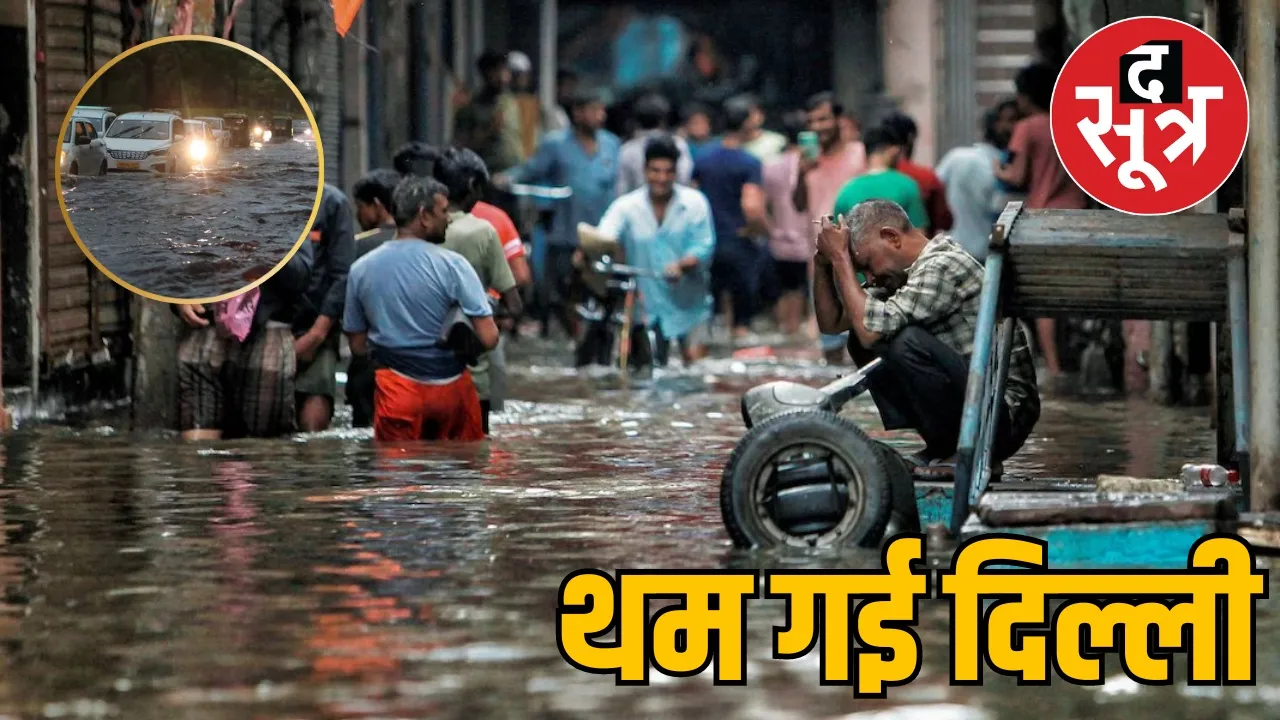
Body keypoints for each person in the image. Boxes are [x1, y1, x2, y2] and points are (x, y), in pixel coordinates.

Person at [812, 200, 1040, 480]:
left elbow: (872, 328)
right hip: (978, 406)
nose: (870, 279)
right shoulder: (902, 276)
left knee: (902, 340)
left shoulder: (942, 264)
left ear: (891, 237)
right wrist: (823, 263)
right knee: (862, 339)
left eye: (868, 265)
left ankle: (976, 452)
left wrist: (841, 260)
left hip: (1002, 417)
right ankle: (944, 445)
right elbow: (832, 322)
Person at [343, 175, 499, 442]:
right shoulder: (455, 266)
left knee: (399, 477)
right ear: (423, 216)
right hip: (452, 394)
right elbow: (489, 337)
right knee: (461, 478)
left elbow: (357, 346)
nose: (448, 218)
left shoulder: (361, 269)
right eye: (442, 211)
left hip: (397, 392)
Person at [498, 89, 621, 339]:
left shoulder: (611, 144)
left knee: (605, 292)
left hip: (601, 235)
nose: (600, 115)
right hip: (566, 231)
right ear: (577, 113)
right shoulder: (556, 144)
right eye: (593, 109)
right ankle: (572, 338)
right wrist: (506, 178)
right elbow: (531, 170)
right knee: (562, 293)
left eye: (601, 110)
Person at [995, 62, 1089, 384]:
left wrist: (998, 169)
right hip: (1079, 214)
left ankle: (1055, 367)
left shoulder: (1028, 127)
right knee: (1073, 291)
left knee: (1046, 296)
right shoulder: (1071, 120)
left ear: (1024, 96)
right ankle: (1072, 361)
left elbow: (1018, 176)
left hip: (1044, 218)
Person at [175, 240, 315, 440]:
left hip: (267, 332)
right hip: (204, 329)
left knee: (261, 446)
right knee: (197, 444)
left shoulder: (284, 215)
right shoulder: (193, 212)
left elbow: (301, 276)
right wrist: (178, 300)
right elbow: (167, 265)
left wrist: (263, 247)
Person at [596, 136, 716, 364]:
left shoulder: (695, 203)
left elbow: (704, 245)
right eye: (655, 171)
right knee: (641, 368)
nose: (661, 178)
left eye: (668, 172)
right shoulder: (626, 206)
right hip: (645, 307)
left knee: (696, 370)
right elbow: (605, 234)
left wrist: (682, 265)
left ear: (676, 173)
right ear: (644, 170)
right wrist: (592, 248)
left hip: (689, 305)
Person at [434, 148, 523, 434]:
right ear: (473, 186)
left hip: (421, 372)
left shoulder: (421, 227)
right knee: (475, 455)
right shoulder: (482, 231)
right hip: (472, 375)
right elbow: (514, 299)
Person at [792, 91, 867, 364]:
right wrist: (801, 173)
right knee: (830, 347)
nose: (817, 127)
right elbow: (798, 204)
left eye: (823, 119)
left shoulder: (860, 154)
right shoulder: (804, 161)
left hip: (859, 260)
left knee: (866, 339)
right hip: (822, 261)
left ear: (839, 120)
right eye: (811, 122)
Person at [692, 95, 768, 340]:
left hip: (706, 244)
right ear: (746, 124)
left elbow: (691, 199)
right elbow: (752, 206)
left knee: (710, 318)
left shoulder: (702, 157)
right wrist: (760, 231)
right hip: (738, 243)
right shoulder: (749, 162)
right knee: (741, 326)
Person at [292, 185, 356, 432]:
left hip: (314, 329)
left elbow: (341, 275)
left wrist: (317, 334)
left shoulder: (332, 203)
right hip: (262, 328)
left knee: (312, 419)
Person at [348, 168, 403, 429]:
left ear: (377, 206)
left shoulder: (357, 246)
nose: (358, 215)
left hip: (370, 362)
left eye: (360, 207)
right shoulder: (423, 244)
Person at [935, 100, 1021, 262]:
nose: (1015, 127)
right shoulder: (1005, 169)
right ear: (993, 124)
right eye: (1010, 120)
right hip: (986, 256)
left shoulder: (956, 157)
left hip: (954, 250)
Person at [761, 110, 814, 336]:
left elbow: (765, 204)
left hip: (779, 240)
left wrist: (770, 230)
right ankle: (797, 340)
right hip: (807, 241)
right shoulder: (811, 165)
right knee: (802, 294)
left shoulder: (771, 166)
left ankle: (786, 336)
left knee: (784, 292)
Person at [832, 126, 928, 231]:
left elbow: (836, 234)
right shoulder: (908, 185)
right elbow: (920, 233)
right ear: (894, 150)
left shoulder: (846, 190)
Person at [453, 50, 525, 176]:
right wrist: (489, 130)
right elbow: (461, 148)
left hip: (514, 175)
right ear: (485, 73)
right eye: (497, 71)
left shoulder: (510, 102)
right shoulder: (470, 109)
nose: (503, 77)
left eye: (505, 71)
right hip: (487, 176)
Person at [880, 111, 952, 237]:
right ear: (910, 138)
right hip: (920, 251)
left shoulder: (863, 179)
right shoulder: (925, 177)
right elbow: (945, 221)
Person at [616, 92, 693, 195]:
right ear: (663, 120)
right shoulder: (678, 144)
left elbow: (621, 189)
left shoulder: (627, 150)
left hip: (640, 206)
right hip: (660, 203)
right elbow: (684, 179)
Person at [741, 95, 787, 163]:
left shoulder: (777, 142)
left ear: (761, 116)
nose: (748, 117)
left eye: (751, 113)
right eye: (743, 114)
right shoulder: (727, 145)